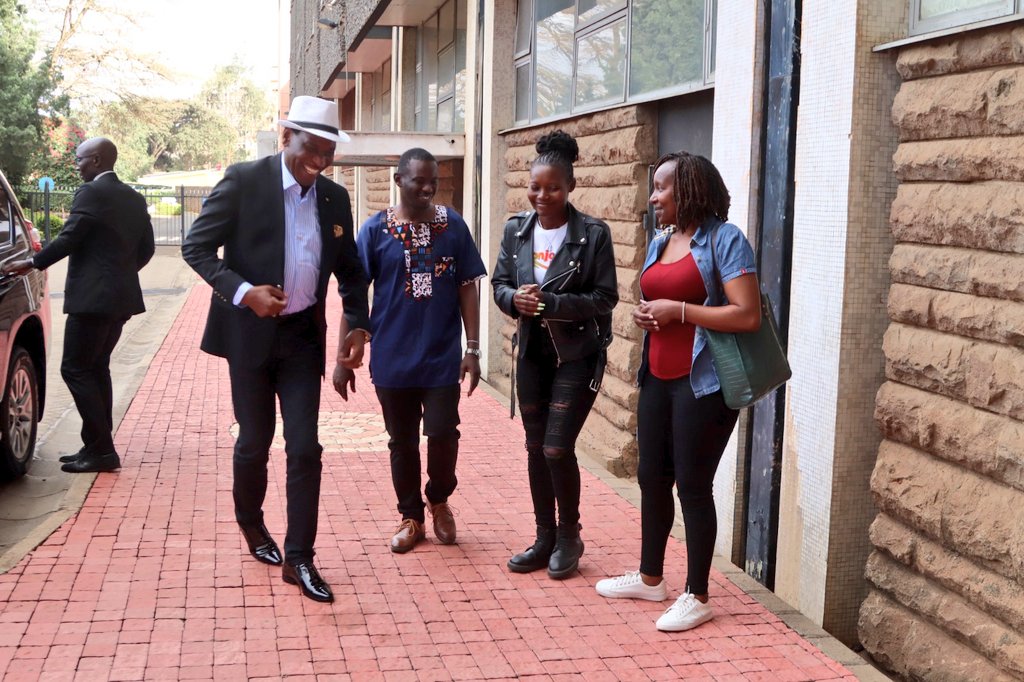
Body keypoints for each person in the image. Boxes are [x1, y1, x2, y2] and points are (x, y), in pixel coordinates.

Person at [181, 95, 370, 603]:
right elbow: (195, 247)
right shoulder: (245, 181)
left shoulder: (334, 197)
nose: (322, 157)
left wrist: (358, 324)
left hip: (303, 340)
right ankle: (251, 523)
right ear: (288, 137)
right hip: (249, 336)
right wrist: (245, 292)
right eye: (313, 145)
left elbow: (350, 268)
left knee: (305, 446)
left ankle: (300, 557)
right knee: (254, 441)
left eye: (330, 148)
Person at [594, 152, 761, 631]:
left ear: (688, 189)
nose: (653, 196)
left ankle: (698, 594)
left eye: (661, 187)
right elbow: (653, 301)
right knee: (650, 476)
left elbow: (746, 314)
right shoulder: (660, 241)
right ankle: (650, 579)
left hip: (702, 383)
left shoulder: (725, 240)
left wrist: (680, 311)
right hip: (657, 376)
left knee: (691, 485)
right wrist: (647, 314)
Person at [491, 130, 618, 579]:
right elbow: (499, 285)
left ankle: (570, 536)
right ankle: (544, 536)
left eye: (553, 188)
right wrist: (513, 301)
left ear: (570, 188)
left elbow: (605, 297)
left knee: (556, 447)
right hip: (532, 355)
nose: (542, 196)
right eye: (535, 187)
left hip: (577, 355)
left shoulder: (592, 235)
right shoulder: (516, 230)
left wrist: (552, 305)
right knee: (534, 447)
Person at [356, 148, 486, 554]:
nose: (428, 188)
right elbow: (354, 291)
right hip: (392, 357)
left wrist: (473, 347)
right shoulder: (375, 230)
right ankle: (410, 516)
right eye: (419, 181)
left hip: (442, 356)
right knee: (402, 441)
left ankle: (439, 497)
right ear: (399, 181)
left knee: (444, 433)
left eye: (434, 180)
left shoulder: (453, 226)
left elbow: (467, 284)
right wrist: (351, 347)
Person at [3, 137, 154, 474]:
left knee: (74, 368)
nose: (76, 164)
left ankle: (102, 450)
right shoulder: (133, 197)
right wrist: (119, 275)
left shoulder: (90, 193)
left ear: (97, 160)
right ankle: (96, 445)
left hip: (92, 300)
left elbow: (71, 236)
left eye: (80, 159)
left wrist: (32, 261)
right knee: (96, 368)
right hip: (121, 298)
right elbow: (147, 249)